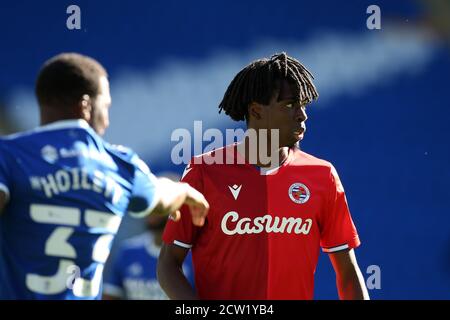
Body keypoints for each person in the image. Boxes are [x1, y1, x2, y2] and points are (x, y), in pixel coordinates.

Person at [158, 52, 369, 300]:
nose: (303, 115)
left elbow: (347, 271)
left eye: (303, 105)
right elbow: (168, 264)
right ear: (256, 111)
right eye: (290, 105)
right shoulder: (204, 172)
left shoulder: (323, 175)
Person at [0, 53, 208, 299]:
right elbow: (163, 196)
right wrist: (187, 193)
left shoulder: (9, 155)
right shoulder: (119, 165)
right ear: (86, 106)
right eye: (106, 106)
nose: (108, 120)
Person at [102, 205, 194, 300]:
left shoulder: (193, 256)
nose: (152, 211)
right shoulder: (129, 251)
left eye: (160, 207)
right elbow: (111, 294)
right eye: (151, 205)